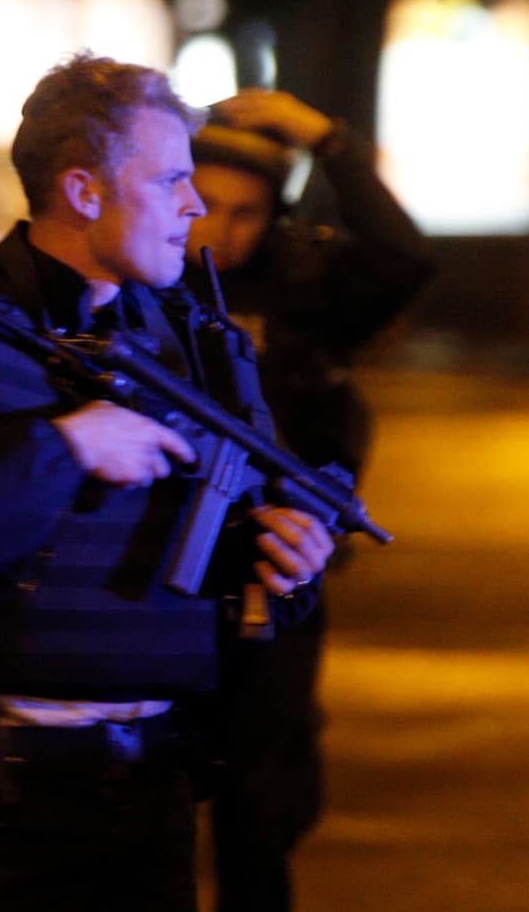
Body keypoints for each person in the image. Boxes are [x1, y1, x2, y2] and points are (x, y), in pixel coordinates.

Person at [0, 52, 335, 912]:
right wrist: (63, 448)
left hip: (156, 796)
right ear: (85, 191)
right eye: (170, 180)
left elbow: (248, 564)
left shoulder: (197, 346)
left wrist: (287, 565)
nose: (194, 207)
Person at [184, 89, 434, 912]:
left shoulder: (298, 292)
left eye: (246, 211)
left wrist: (330, 141)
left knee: (261, 806)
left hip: (275, 577)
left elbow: (401, 258)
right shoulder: (137, 286)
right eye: (204, 203)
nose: (221, 228)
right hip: (159, 574)